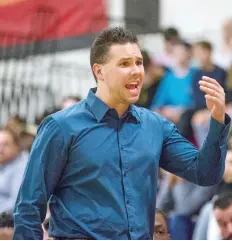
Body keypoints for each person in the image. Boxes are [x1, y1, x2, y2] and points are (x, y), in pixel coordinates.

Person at [13, 26, 230, 240]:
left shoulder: (155, 125)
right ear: (99, 71)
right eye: (124, 64)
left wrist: (218, 119)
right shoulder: (61, 127)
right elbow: (30, 206)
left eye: (139, 62)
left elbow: (204, 173)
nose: (136, 70)